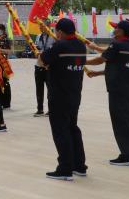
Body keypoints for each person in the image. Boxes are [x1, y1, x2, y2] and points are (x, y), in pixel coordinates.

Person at [38, 18, 87, 181]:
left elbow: (41, 61)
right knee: (73, 128)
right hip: (75, 94)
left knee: (61, 131)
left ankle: (65, 168)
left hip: (59, 95)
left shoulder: (59, 45)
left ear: (59, 32)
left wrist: (44, 61)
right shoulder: (81, 45)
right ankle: (79, 165)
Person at [85, 20, 129, 166]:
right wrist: (97, 74)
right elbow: (118, 67)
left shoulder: (117, 44)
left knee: (120, 121)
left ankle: (126, 156)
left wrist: (82, 61)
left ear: (121, 31)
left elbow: (101, 59)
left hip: (117, 89)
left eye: (116, 28)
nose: (114, 30)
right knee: (128, 121)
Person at [34, 23, 55, 117]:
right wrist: (36, 52)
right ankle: (40, 109)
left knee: (50, 89)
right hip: (39, 65)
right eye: (40, 27)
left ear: (48, 26)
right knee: (39, 89)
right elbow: (36, 48)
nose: (41, 28)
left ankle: (51, 109)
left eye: (42, 26)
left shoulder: (54, 37)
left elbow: (54, 51)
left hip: (49, 66)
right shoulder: (38, 36)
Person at [0, 24, 13, 109]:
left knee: (5, 83)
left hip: (3, 63)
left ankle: (6, 103)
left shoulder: (6, 39)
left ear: (2, 30)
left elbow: (10, 51)